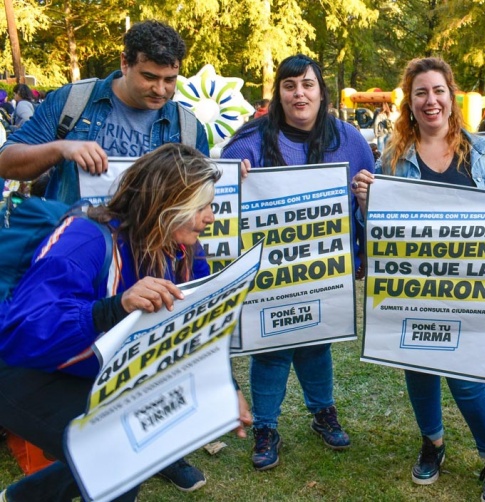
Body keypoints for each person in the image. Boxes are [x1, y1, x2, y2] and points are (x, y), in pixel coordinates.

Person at [0, 144, 253, 501]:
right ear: (166, 204)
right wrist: (113, 307)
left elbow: (203, 324)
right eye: (201, 207)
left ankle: (24, 497)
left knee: (141, 443)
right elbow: (23, 332)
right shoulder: (85, 239)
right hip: (25, 372)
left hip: (96, 373)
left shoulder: (184, 251)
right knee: (122, 454)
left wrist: (229, 389)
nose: (210, 218)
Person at [350, 57, 485, 502]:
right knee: (419, 369)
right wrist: (368, 202)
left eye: (438, 91)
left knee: (466, 378)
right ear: (411, 101)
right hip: (411, 288)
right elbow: (379, 227)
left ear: (451, 96)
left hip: (468, 291)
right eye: (421, 92)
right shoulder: (392, 154)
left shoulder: (484, 152)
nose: (431, 101)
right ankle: (433, 442)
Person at [221, 54, 374, 471]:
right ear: (279, 93)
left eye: (307, 84)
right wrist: (231, 176)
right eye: (290, 86)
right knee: (271, 348)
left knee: (316, 339)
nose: (299, 93)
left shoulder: (350, 139)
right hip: (268, 269)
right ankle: (266, 427)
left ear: (321, 90)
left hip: (324, 267)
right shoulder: (249, 139)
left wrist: (360, 248)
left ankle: (323, 412)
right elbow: (219, 194)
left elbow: (368, 199)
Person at [0, 20, 209, 205]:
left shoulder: (187, 127)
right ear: (125, 63)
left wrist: (236, 176)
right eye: (150, 77)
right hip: (75, 245)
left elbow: (202, 199)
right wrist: (60, 149)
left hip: (150, 248)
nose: (160, 89)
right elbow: (6, 162)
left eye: (170, 80)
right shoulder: (74, 100)